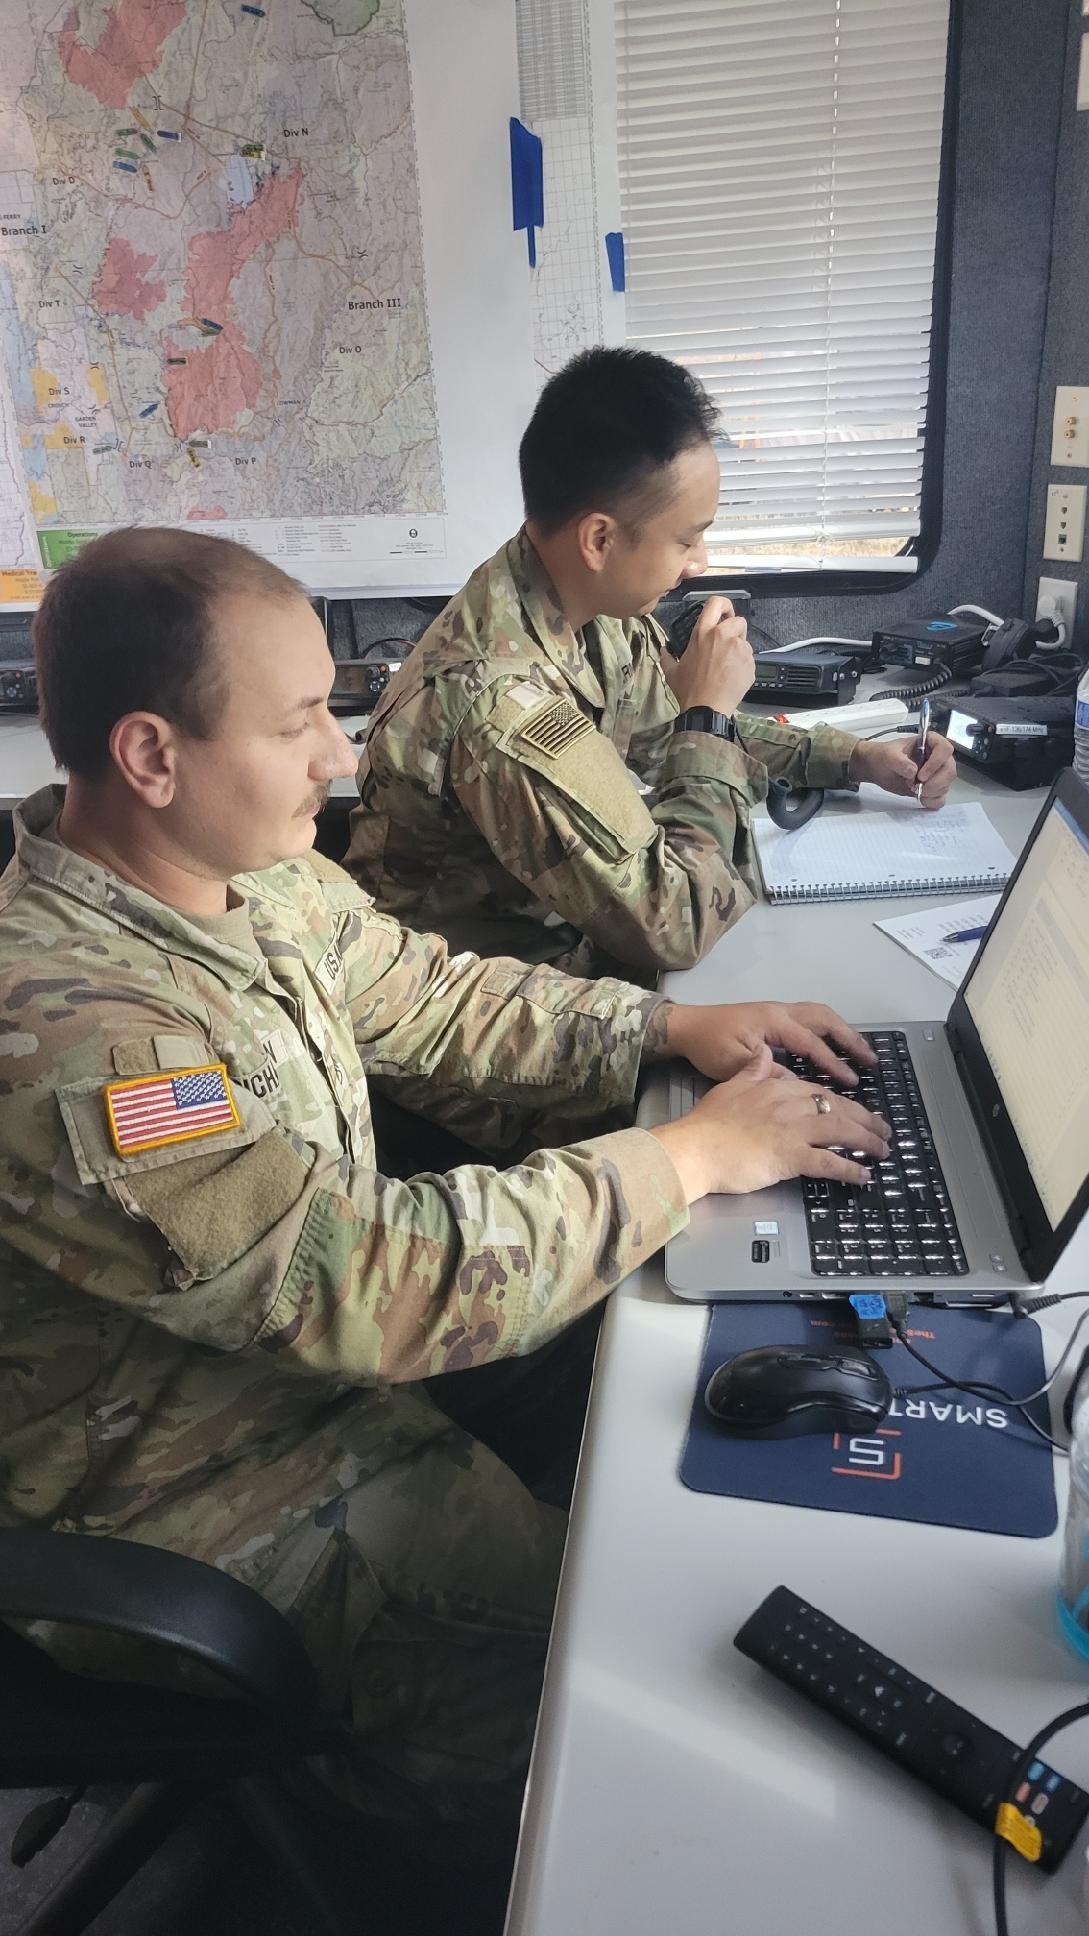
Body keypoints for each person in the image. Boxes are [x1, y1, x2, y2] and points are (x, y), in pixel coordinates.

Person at [0, 527, 888, 1834]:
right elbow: (363, 1279)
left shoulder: (248, 878)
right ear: (150, 755)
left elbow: (434, 999)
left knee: (681, 1392)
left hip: (310, 1370)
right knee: (669, 1677)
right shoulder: (83, 1038)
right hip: (188, 1486)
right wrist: (688, 1156)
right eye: (301, 721)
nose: (343, 756)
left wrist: (663, 1032)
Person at [346, 347, 956, 980]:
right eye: (686, 539)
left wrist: (855, 757)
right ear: (600, 539)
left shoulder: (585, 602)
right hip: (483, 1011)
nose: (700, 561)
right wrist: (710, 715)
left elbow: (667, 734)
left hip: (556, 961)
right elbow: (679, 922)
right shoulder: (500, 707)